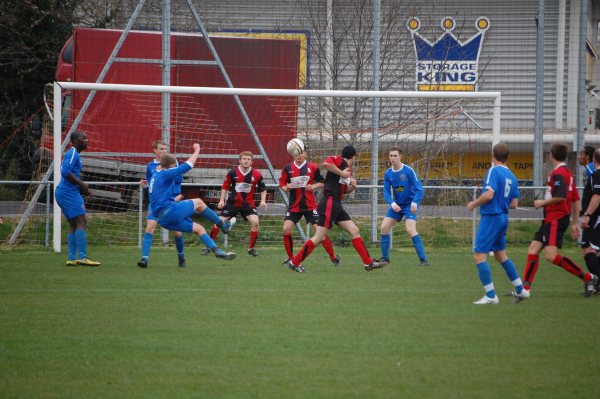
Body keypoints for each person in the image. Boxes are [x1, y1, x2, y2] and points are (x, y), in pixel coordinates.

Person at [287, 145, 383, 272]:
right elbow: (326, 163)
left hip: (337, 204)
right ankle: (295, 262)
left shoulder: (347, 169)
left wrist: (352, 186)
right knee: (318, 237)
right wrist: (342, 173)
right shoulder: (340, 161)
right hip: (330, 203)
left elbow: (344, 191)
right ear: (354, 157)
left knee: (354, 230)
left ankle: (368, 263)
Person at [522, 143, 598, 296]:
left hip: (555, 218)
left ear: (551, 156)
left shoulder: (559, 174)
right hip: (551, 219)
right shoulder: (568, 173)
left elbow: (560, 196)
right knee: (533, 249)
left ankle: (588, 277)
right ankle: (524, 289)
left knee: (551, 256)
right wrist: (575, 223)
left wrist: (541, 202)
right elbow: (576, 200)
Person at [149, 143, 235, 261]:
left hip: (162, 219)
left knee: (199, 229)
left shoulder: (155, 173)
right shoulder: (166, 173)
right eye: (174, 166)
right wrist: (197, 150)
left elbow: (158, 197)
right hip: (170, 211)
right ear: (169, 166)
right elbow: (188, 165)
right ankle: (223, 226)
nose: (175, 169)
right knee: (199, 202)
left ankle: (218, 252)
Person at [466, 143, 528, 304]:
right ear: (508, 157)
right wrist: (502, 204)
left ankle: (491, 296)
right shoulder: (512, 176)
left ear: (493, 156)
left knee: (479, 256)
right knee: (501, 256)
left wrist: (473, 204)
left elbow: (489, 194)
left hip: (492, 217)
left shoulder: (493, 171)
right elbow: (514, 203)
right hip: (503, 218)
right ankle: (521, 290)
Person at [279, 148, 340, 266]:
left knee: (320, 233)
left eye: (302, 153)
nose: (299, 155)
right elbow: (282, 184)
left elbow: (322, 182)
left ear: (306, 154)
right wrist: (287, 188)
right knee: (286, 229)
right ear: (293, 154)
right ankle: (291, 258)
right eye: (297, 153)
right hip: (294, 206)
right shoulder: (287, 168)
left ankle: (333, 257)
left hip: (310, 206)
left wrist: (313, 186)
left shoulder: (313, 167)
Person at [201, 151, 267, 257]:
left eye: (248, 159)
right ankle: (208, 247)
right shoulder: (232, 172)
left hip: (248, 204)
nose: (246, 161)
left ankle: (251, 249)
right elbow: (225, 187)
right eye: (244, 159)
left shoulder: (257, 174)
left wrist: (263, 201)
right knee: (218, 222)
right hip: (233, 203)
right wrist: (222, 200)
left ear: (252, 162)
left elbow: (263, 189)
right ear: (240, 160)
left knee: (255, 222)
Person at [138, 140, 187, 268]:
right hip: (155, 204)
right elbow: (153, 184)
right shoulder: (150, 166)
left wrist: (177, 195)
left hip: (171, 201)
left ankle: (181, 257)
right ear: (155, 150)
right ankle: (144, 259)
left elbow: (178, 180)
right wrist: (146, 185)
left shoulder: (173, 162)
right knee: (149, 228)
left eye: (165, 149)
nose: (164, 151)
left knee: (177, 232)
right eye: (161, 149)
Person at [55, 130, 101, 266]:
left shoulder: (75, 154)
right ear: (75, 140)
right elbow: (65, 171)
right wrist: (82, 184)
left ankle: (71, 258)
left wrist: (84, 190)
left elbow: (70, 174)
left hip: (65, 192)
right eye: (83, 138)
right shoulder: (73, 152)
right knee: (82, 222)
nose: (86, 140)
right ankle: (82, 257)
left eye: (87, 137)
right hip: (68, 193)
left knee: (73, 224)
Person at [379, 147, 428, 267]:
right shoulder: (388, 173)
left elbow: (419, 189)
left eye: (395, 155)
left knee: (410, 230)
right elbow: (385, 192)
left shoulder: (408, 171)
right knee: (384, 227)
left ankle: (423, 260)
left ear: (400, 156)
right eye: (391, 156)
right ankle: (385, 258)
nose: (393, 158)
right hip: (397, 206)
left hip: (409, 206)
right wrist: (392, 203)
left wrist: (415, 202)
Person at [576, 147, 600, 293]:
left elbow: (596, 194)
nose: (579, 156)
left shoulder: (592, 170)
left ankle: (595, 281)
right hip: (592, 214)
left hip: (594, 217)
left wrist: (587, 213)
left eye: (581, 154)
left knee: (588, 249)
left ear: (589, 157)